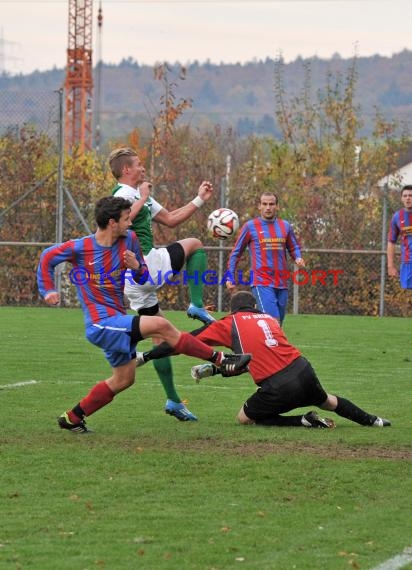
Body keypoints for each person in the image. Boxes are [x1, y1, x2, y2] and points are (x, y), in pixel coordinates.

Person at [36, 196, 251, 433]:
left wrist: (137, 267)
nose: (130, 223)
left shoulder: (130, 240)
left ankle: (73, 418)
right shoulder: (81, 247)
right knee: (161, 325)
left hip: (117, 319)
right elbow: (48, 257)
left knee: (124, 379)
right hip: (100, 323)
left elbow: (142, 276)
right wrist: (47, 290)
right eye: (127, 219)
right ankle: (221, 360)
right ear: (111, 222)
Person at [138, 291, 391, 429]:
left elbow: (183, 341)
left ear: (234, 309)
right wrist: (215, 370)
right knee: (329, 401)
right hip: (303, 369)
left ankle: (301, 421)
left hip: (279, 385)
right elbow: (256, 358)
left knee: (244, 418)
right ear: (255, 306)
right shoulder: (269, 320)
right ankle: (375, 421)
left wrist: (147, 355)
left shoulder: (230, 323)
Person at [109, 147, 215, 422]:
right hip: (145, 264)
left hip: (135, 282)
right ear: (126, 171)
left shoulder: (138, 195)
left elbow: (170, 219)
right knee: (195, 245)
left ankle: (173, 400)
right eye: (139, 165)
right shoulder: (122, 195)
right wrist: (142, 196)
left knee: (162, 334)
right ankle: (196, 305)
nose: (143, 169)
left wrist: (199, 200)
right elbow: (121, 222)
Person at [225, 192, 305, 325]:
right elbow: (236, 253)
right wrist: (230, 276)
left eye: (271, 204)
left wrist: (298, 257)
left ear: (277, 206)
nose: (268, 207)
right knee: (273, 322)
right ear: (259, 206)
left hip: (282, 281)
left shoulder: (285, 226)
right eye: (265, 204)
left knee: (278, 324)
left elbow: (293, 247)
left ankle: (260, 343)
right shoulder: (250, 226)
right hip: (261, 281)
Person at [387, 184, 412, 289]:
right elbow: (391, 242)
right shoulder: (397, 217)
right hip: (407, 262)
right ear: (401, 198)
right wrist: (390, 266)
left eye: (410, 195)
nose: (408, 198)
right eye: (405, 196)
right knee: (407, 296)